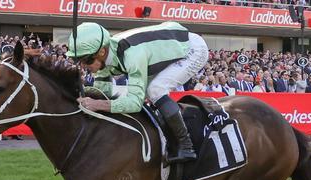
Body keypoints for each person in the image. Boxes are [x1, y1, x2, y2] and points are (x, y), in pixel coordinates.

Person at [68, 22, 208, 163]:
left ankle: (186, 146)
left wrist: (97, 104)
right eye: (79, 61)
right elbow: (101, 92)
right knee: (147, 92)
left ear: (102, 52)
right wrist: (78, 95)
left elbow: (135, 103)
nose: (83, 66)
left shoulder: (132, 55)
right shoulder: (104, 57)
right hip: (164, 48)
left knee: (155, 90)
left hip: (192, 49)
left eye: (85, 60)